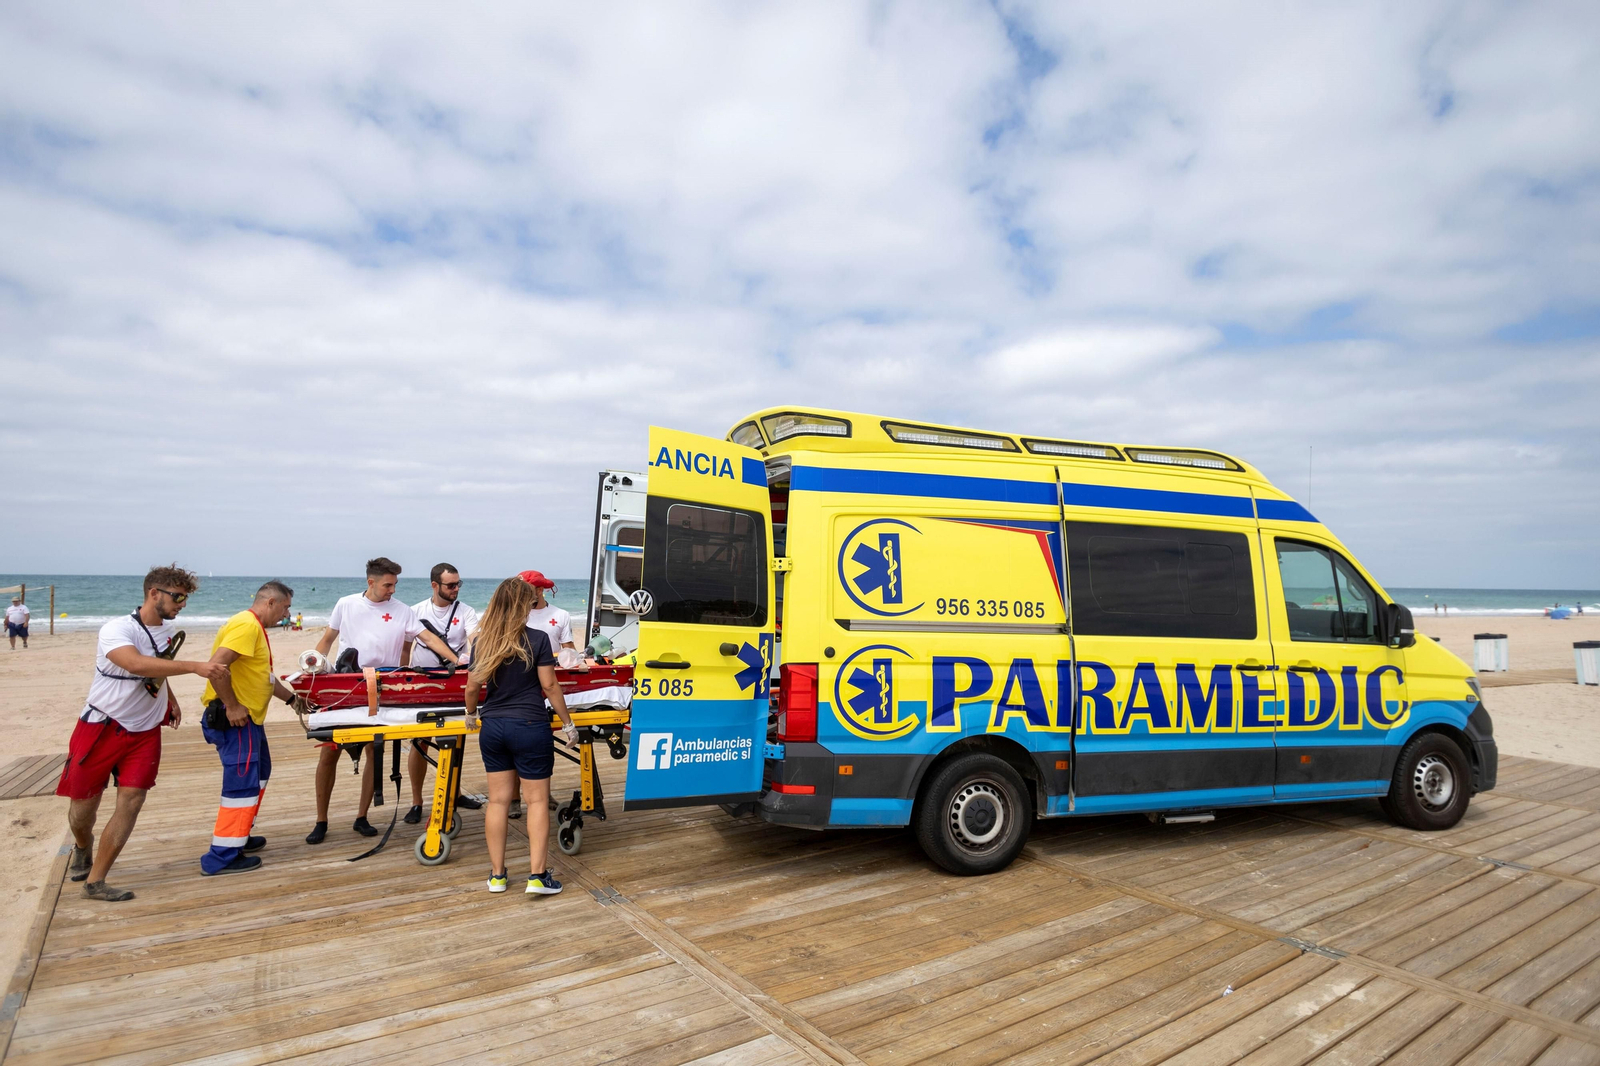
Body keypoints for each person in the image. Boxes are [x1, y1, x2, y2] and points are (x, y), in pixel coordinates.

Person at [56, 565, 224, 901]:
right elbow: (134, 663)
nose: (182, 605)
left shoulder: (166, 631)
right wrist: (195, 667)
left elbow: (157, 668)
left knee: (132, 800)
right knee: (82, 809)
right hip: (102, 724)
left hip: (145, 729)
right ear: (153, 593)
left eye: (185, 599)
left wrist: (170, 698)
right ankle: (83, 845)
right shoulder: (117, 629)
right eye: (177, 597)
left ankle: (96, 881)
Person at [305, 557, 459, 844]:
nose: (392, 590)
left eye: (395, 584)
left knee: (375, 752)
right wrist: (312, 669)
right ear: (371, 582)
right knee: (329, 753)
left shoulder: (402, 611)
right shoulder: (346, 604)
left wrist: (457, 661)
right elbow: (327, 639)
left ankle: (362, 816)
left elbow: (428, 637)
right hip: (347, 686)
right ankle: (321, 820)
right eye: (388, 585)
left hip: (384, 689)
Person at [466, 577, 578, 896]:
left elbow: (472, 687)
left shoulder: (483, 641)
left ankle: (497, 876)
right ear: (522, 606)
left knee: (498, 801)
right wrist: (568, 724)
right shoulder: (537, 639)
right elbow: (550, 686)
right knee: (537, 800)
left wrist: (471, 714)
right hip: (529, 725)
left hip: (493, 727)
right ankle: (538, 877)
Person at [197, 581, 311, 875]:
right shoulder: (247, 625)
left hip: (250, 721)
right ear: (271, 602)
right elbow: (216, 667)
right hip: (236, 720)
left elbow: (264, 678)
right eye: (285, 608)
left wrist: (292, 700)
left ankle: (239, 834)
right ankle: (222, 856)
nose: (287, 615)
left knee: (258, 775)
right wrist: (232, 705)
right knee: (242, 784)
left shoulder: (255, 628)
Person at [404, 562, 482, 823]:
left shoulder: (466, 611)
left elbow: (475, 637)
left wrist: (479, 651)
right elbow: (405, 648)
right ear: (434, 585)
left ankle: (455, 793)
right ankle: (417, 802)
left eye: (458, 584)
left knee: (455, 740)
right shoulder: (416, 611)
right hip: (424, 684)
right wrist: (403, 677)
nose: (456, 589)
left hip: (454, 683)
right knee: (420, 742)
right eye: (451, 585)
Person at [519, 571, 579, 663]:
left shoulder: (561, 615)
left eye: (525, 591)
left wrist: (580, 662)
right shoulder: (514, 615)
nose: (520, 595)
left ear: (539, 590)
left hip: (550, 667)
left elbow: (568, 649)